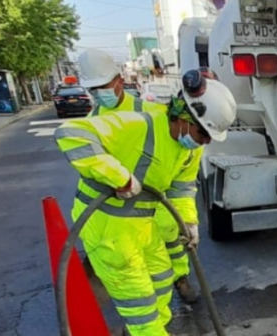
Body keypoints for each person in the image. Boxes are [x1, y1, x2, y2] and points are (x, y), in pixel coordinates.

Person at [54, 70, 237, 336]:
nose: (205, 140)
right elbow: (71, 133)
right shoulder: (138, 123)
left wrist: (189, 223)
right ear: (182, 116)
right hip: (108, 227)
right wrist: (118, 176)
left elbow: (181, 189)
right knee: (137, 297)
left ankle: (160, 335)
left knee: (162, 279)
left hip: (144, 222)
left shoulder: (189, 148)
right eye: (203, 132)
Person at [77, 49, 201, 304]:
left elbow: (175, 149)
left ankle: (181, 278)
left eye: (104, 85)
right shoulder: (90, 123)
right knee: (143, 267)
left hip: (157, 196)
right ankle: (152, 304)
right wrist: (117, 178)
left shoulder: (148, 110)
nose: (100, 93)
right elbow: (84, 158)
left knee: (174, 240)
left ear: (119, 80)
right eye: (94, 89)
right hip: (120, 205)